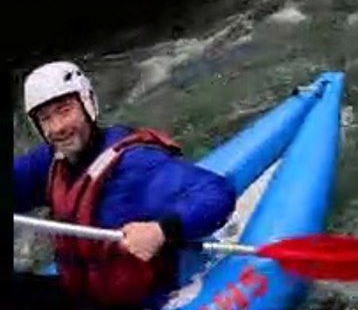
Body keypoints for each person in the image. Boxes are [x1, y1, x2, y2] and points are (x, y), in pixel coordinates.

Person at [14, 61, 237, 310]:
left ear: (88, 105)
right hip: (82, 296)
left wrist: (160, 230)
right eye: (45, 118)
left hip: (137, 302)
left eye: (64, 111)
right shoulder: (52, 161)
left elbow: (216, 193)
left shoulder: (136, 164)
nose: (57, 127)